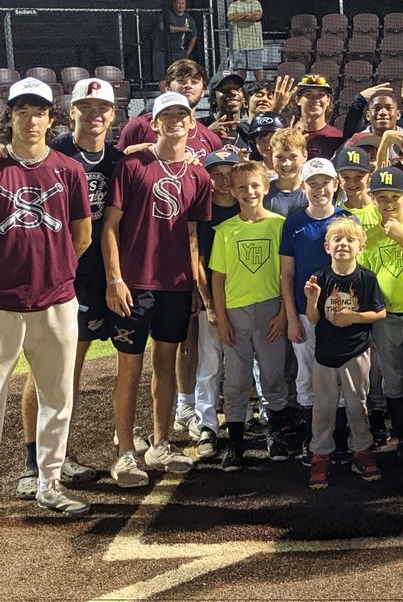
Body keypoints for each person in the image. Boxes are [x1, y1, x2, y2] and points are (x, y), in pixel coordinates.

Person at [0, 77, 93, 540]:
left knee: (58, 399)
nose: (31, 120)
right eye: (22, 112)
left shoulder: (68, 170)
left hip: (56, 303)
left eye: (40, 112)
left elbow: (82, 235)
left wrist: (56, 275)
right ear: (9, 117)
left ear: (52, 119)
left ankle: (49, 482)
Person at [12, 78, 122, 500]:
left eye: (102, 108)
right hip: (58, 277)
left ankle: (58, 456)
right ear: (71, 111)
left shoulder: (117, 160)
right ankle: (33, 463)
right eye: (85, 107)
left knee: (72, 372)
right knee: (50, 370)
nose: (94, 115)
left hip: (99, 275)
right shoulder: (51, 152)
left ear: (113, 115)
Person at [103, 92, 211, 487]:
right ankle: (125, 452)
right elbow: (110, 226)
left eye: (182, 113)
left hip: (176, 285)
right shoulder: (133, 165)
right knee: (129, 368)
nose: (176, 120)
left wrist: (195, 285)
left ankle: (161, 443)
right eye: (167, 114)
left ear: (192, 121)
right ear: (154, 123)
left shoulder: (199, 177)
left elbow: (193, 235)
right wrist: (115, 279)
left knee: (166, 363)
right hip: (134, 285)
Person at [210, 159, 287, 471]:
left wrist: (283, 313)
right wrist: (222, 319)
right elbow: (218, 278)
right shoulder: (226, 230)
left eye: (255, 185)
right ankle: (236, 442)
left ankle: (276, 433)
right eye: (242, 187)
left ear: (266, 188)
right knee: (236, 379)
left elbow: (286, 274)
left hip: (270, 311)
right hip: (235, 313)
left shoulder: (279, 225)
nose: (249, 192)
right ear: (232, 191)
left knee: (273, 375)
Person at [304, 218, 387, 489]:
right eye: (337, 240)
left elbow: (380, 312)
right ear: (327, 247)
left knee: (357, 405)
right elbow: (314, 318)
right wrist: (312, 300)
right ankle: (320, 453)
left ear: (361, 247)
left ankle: (361, 450)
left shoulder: (366, 277)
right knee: (323, 407)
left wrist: (355, 317)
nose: (343, 244)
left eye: (350, 240)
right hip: (325, 354)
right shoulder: (320, 277)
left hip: (356, 352)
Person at [358, 167, 403, 468]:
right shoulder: (369, 236)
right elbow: (363, 280)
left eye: (395, 197)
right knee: (393, 380)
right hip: (386, 319)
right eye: (381, 197)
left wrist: (402, 237)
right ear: (373, 199)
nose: (388, 203)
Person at [280, 158, 351, 458]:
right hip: (303, 311)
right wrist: (291, 318)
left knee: (341, 375)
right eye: (313, 183)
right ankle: (314, 439)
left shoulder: (346, 219)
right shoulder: (294, 224)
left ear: (335, 185)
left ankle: (341, 437)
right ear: (303, 186)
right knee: (307, 375)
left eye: (325, 182)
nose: (319, 189)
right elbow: (287, 275)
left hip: (342, 312)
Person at [188, 150, 243, 463]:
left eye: (229, 173)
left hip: (243, 296)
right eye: (216, 174)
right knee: (209, 365)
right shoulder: (203, 210)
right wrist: (208, 301)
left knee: (244, 363)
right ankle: (207, 425)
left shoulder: (245, 205)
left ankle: (244, 419)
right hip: (212, 295)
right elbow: (197, 259)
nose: (223, 180)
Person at [119, 59, 223, 161]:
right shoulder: (139, 126)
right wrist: (132, 152)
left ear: (203, 91)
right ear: (167, 88)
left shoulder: (211, 139)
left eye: (194, 82)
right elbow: (118, 163)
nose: (188, 86)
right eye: (181, 81)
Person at [295, 74, 344, 160]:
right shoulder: (288, 136)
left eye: (320, 94)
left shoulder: (339, 138)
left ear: (328, 100)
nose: (315, 99)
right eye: (308, 94)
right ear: (298, 100)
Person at [199, 70, 248, 155]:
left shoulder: (248, 131)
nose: (233, 93)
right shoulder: (200, 126)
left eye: (237, 89)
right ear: (214, 97)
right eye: (225, 90)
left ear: (243, 98)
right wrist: (207, 135)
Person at [263, 128, 309, 217]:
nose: (286, 163)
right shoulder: (263, 193)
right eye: (280, 157)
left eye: (293, 157)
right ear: (271, 157)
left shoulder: (313, 192)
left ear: (304, 156)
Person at [152, 0, 197, 83]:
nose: (181, 6)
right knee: (162, 77)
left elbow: (194, 36)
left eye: (183, 3)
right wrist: (182, 29)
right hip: (162, 51)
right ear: (174, 4)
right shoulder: (167, 14)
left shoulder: (188, 18)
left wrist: (187, 52)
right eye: (179, 3)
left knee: (183, 75)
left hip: (179, 52)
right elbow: (163, 27)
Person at [226, 0, 264, 82]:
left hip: (254, 43)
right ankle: (241, 88)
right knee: (240, 70)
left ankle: (262, 87)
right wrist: (247, 14)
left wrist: (240, 16)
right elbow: (231, 17)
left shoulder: (255, 3)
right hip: (238, 43)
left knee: (258, 69)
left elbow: (257, 16)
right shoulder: (234, 5)